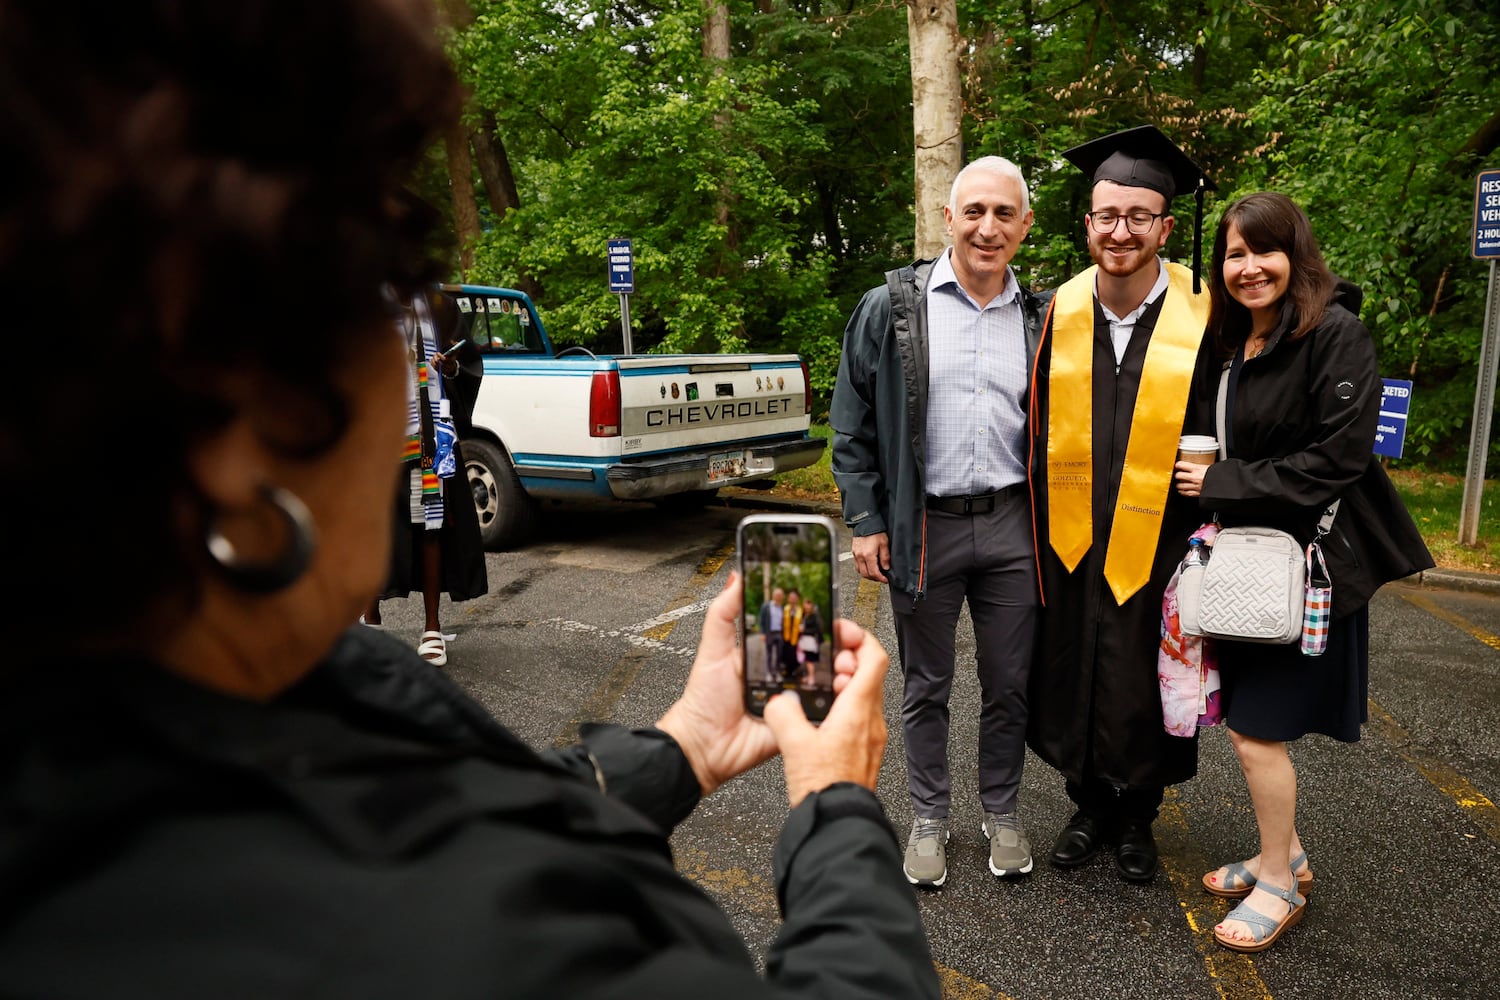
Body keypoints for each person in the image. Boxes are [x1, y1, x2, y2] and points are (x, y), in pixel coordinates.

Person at [0, 4, 941, 998]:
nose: (416, 368)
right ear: (236, 413)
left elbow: (425, 788)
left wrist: (683, 748)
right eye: (386, 287)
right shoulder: (444, 944)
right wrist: (836, 807)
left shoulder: (237, 691)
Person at [1172, 191, 1432, 952]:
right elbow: (1202, 435)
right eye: (1234, 255)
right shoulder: (1227, 347)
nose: (1248, 268)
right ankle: (1275, 852)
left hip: (1306, 570)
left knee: (1257, 732)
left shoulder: (1336, 335)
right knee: (1251, 725)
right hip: (1243, 569)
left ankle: (1280, 884)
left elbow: (1339, 461)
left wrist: (1219, 483)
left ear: (1296, 254)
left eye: (1263, 251)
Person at [831, 155, 1050, 887]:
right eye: (975, 211)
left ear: (1024, 226)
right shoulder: (892, 306)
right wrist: (865, 520)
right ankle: (928, 816)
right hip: (924, 527)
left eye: (1005, 214)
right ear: (948, 219)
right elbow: (852, 422)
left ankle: (1003, 811)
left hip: (1014, 527)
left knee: (1010, 682)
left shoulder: (1042, 317)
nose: (989, 227)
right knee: (926, 683)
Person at [1026, 125, 1216, 884]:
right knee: (1073, 662)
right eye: (1108, 215)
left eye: (1140, 217)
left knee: (1146, 669)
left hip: (1164, 537)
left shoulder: (1208, 318)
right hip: (1069, 533)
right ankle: (1086, 803)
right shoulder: (1053, 311)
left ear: (1167, 228)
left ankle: (1139, 814)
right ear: (1088, 224)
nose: (1122, 231)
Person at [361, 287, 488, 666]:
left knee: (429, 525)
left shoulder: (440, 309)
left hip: (428, 438)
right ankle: (370, 618)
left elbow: (466, 361)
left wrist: (451, 367)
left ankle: (432, 627)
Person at [756, 586, 786, 684]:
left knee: (779, 654)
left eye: (780, 595)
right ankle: (769, 673)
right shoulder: (766, 606)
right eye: (777, 594)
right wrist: (763, 633)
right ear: (773, 595)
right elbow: (761, 620)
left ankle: (777, 673)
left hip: (779, 633)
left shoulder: (783, 608)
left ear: (782, 597)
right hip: (769, 633)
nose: (778, 596)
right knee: (769, 654)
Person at [781, 588, 804, 683]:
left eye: (795, 598)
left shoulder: (801, 610)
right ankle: (787, 671)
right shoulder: (785, 609)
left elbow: (804, 622)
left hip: (796, 637)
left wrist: (803, 628)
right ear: (788, 599)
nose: (793, 599)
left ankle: (794, 671)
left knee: (795, 655)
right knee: (786, 654)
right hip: (785, 636)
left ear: (797, 599)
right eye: (791, 597)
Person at [799, 600, 823, 687]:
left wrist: (804, 630)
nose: (807, 607)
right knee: (806, 659)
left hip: (810, 640)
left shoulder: (814, 616)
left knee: (810, 660)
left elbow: (816, 629)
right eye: (805, 605)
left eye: (808, 605)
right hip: (804, 640)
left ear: (811, 606)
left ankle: (812, 678)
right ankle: (808, 676)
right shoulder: (804, 615)